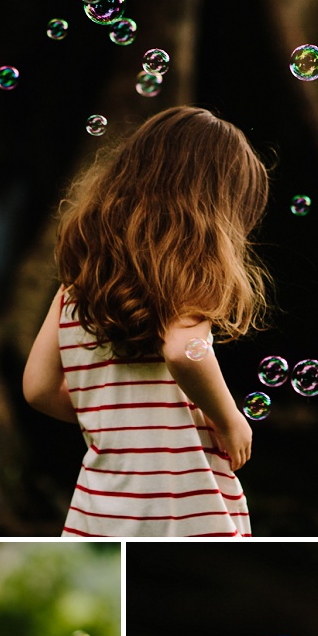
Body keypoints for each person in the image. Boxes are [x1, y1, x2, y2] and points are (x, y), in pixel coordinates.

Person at [22, 104, 269, 535]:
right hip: (186, 511)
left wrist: (108, 414)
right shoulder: (192, 272)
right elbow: (184, 352)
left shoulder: (75, 289)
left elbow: (38, 389)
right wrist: (230, 419)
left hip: (100, 511)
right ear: (216, 208)